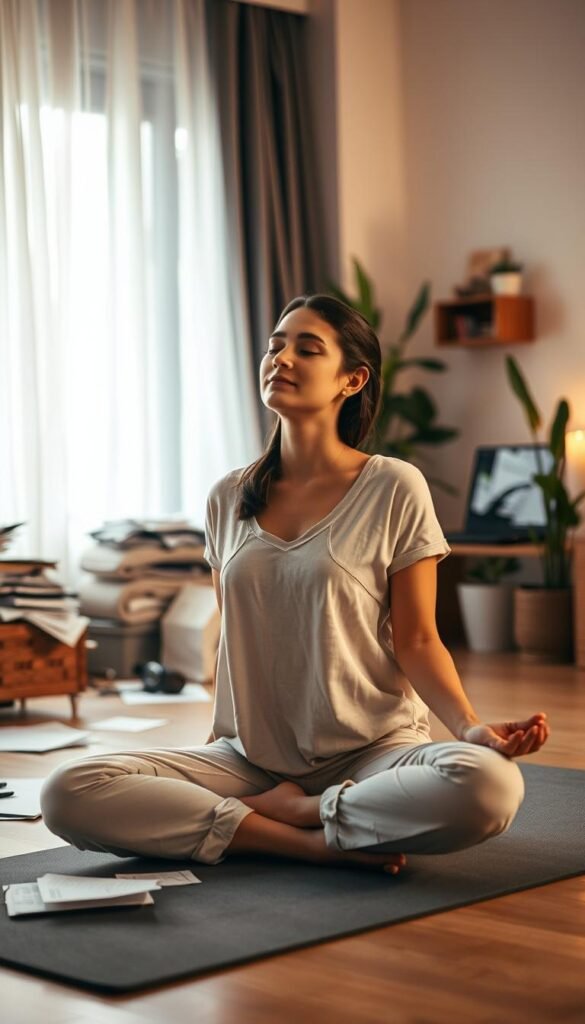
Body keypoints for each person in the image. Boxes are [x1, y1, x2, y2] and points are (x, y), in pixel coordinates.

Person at [41, 294, 550, 876]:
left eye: (307, 349)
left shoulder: (393, 486)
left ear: (352, 380)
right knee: (68, 790)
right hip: (248, 762)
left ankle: (290, 815)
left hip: (373, 753)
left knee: (488, 788)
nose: (280, 358)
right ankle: (303, 838)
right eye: (275, 346)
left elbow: (418, 639)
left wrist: (470, 728)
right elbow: (236, 637)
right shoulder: (227, 497)